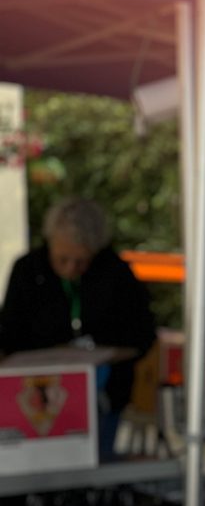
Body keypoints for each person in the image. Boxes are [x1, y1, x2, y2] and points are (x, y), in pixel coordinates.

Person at [0, 196, 156, 459]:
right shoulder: (28, 270)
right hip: (34, 397)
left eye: (81, 261)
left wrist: (105, 352)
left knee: (96, 464)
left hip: (103, 396)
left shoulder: (115, 272)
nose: (71, 268)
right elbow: (9, 333)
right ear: (50, 243)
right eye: (62, 259)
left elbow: (142, 333)